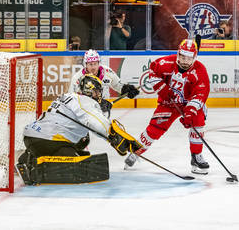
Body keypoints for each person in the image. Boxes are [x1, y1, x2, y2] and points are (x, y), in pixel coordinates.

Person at [16, 74, 142, 185]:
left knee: (83, 139)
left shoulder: (67, 96)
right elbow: (96, 123)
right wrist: (114, 137)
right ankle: (36, 167)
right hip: (49, 140)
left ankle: (29, 156)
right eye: (97, 92)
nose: (99, 95)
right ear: (89, 90)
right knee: (81, 165)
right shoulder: (85, 101)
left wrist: (99, 107)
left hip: (32, 137)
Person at [124, 39, 211, 175]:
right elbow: (152, 72)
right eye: (182, 56)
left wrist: (190, 112)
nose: (184, 61)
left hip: (189, 104)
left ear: (194, 58)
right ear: (178, 54)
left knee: (198, 124)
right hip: (168, 103)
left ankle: (196, 157)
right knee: (154, 129)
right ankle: (136, 151)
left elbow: (200, 94)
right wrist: (162, 88)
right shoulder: (167, 62)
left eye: (188, 58)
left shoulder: (200, 71)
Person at [69, 49, 139, 116]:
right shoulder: (77, 78)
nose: (93, 67)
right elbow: (72, 98)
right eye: (90, 64)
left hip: (103, 111)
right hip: (85, 112)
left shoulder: (107, 72)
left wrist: (126, 89)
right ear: (85, 65)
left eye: (95, 64)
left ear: (99, 63)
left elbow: (117, 85)